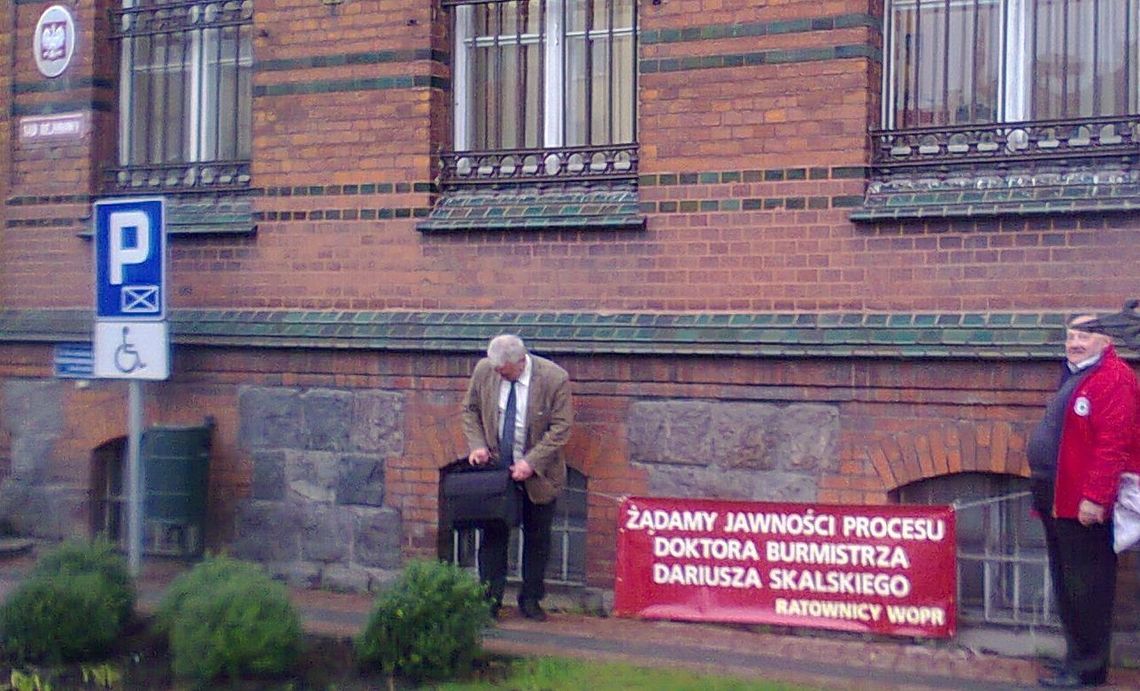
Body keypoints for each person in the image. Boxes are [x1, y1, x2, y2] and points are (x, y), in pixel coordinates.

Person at [1027, 315, 1140, 688]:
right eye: (1071, 335)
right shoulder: (1078, 373)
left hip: (1082, 503)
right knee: (1067, 583)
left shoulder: (1115, 379)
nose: (1074, 342)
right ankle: (1075, 659)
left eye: (1085, 336)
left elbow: (1113, 445)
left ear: (1106, 341)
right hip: (1056, 495)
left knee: (1086, 586)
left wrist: (1095, 498)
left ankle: (1088, 669)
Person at [461, 334, 572, 621]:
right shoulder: (485, 370)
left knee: (537, 539)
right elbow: (470, 410)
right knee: (493, 537)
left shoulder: (554, 379)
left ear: (521, 362)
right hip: (497, 473)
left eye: (504, 371)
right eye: (495, 369)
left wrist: (531, 462)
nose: (498, 374)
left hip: (539, 473)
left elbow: (561, 428)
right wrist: (477, 445)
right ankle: (489, 601)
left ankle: (531, 599)